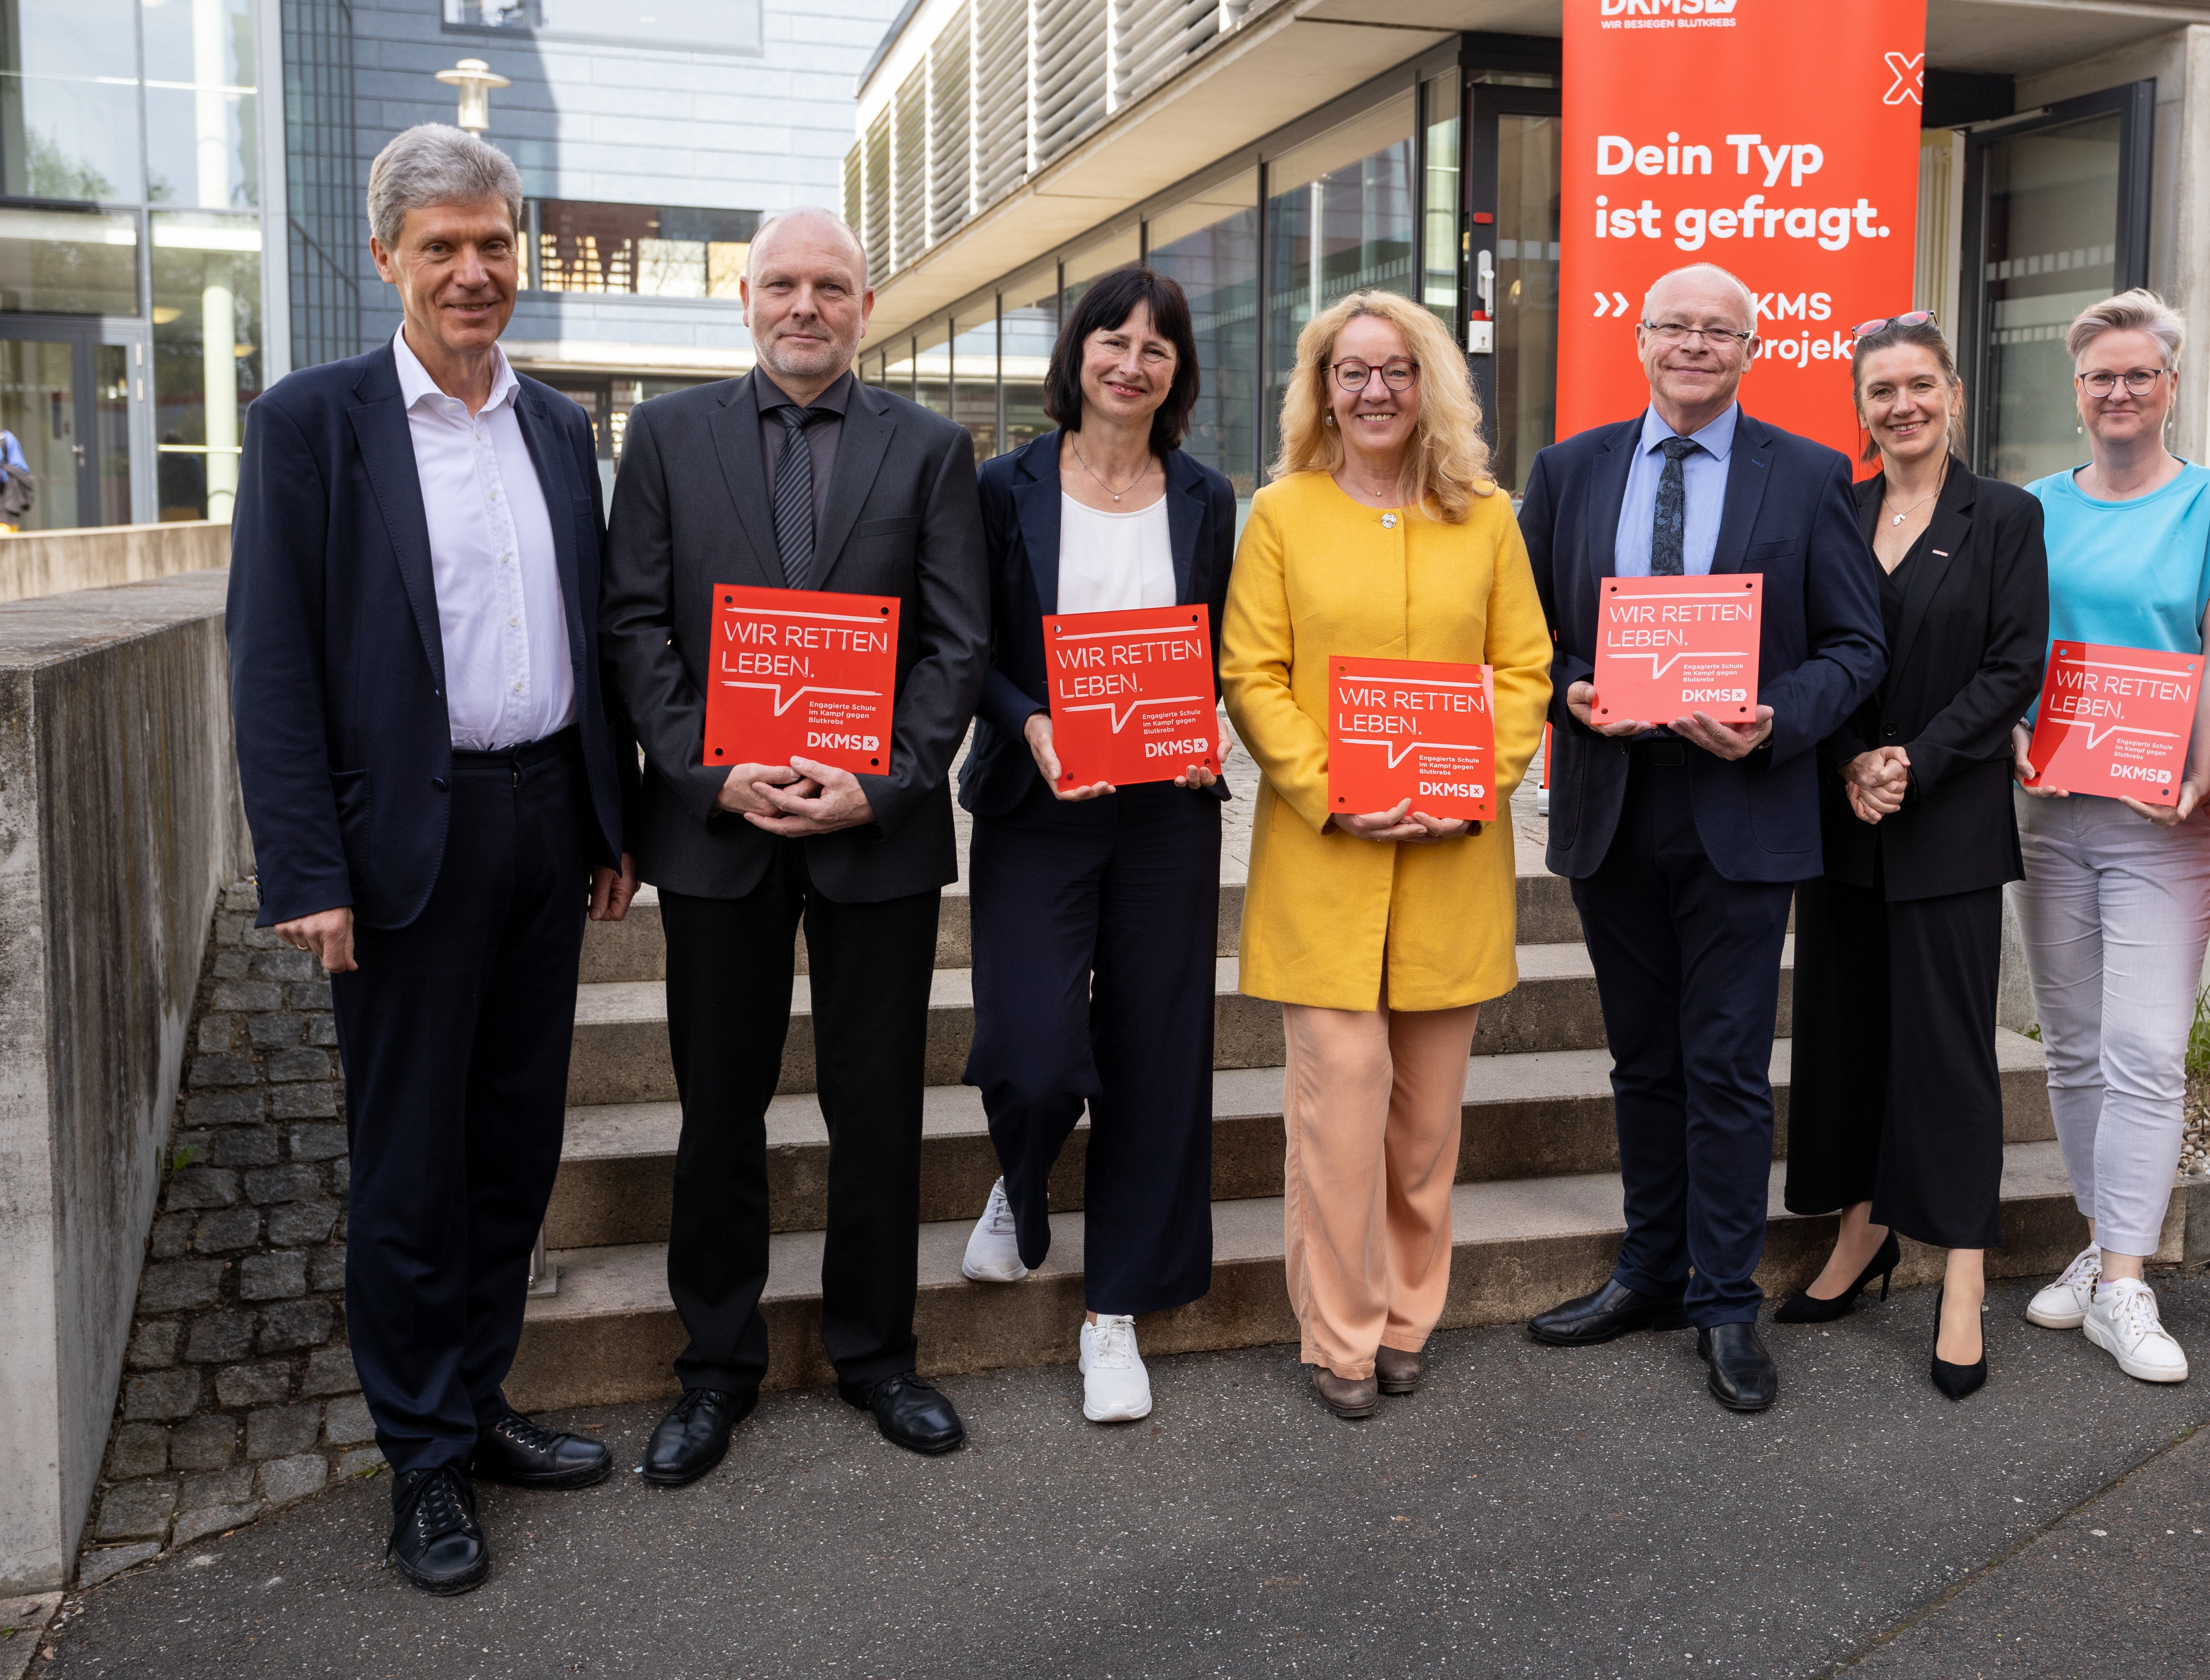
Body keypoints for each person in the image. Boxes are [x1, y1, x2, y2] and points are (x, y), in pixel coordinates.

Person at [226, 123, 639, 1594]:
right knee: (410, 1163)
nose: (473, 272)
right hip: (404, 841)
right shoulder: (310, 425)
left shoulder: (557, 428)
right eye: (442, 247)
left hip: (543, 824)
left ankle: (481, 1404)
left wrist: (607, 819)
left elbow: (585, 635)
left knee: (516, 1143)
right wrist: (306, 870)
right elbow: (271, 667)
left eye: (494, 245)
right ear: (389, 257)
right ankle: (420, 1462)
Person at [601, 207, 988, 1485]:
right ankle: (715, 1369)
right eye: (782, 284)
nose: (805, 306)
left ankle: (879, 1354)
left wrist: (875, 785)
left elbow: (955, 647)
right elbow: (636, 631)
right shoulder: (663, 438)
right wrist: (713, 775)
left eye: (831, 286)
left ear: (866, 308)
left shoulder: (931, 450)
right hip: (720, 834)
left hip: (873, 835)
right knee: (720, 1110)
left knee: (876, 1108)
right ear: (747, 300)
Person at [1519, 262, 1884, 1414]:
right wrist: (1571, 693)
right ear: (1639, 341)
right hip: (1614, 803)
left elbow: (1856, 650)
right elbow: (1523, 634)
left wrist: (1781, 720)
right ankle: (1647, 1270)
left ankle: (1723, 1300)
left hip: (1744, 807)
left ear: (1750, 350)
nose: (1693, 346)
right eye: (1673, 326)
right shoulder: (1570, 471)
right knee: (1643, 1061)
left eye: (1717, 332)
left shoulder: (1814, 474)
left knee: (1726, 1068)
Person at [1222, 289, 1551, 1421]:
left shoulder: (1488, 518)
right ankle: (1341, 1335)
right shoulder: (1281, 517)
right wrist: (1334, 790)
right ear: (1322, 391)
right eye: (1350, 372)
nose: (1374, 391)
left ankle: (1412, 1317)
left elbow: (1526, 674)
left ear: (1430, 388)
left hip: (1453, 861)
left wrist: (1474, 781)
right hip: (1326, 863)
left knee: (1424, 1128)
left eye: (1396, 370)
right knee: (1341, 1110)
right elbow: (1252, 675)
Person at [953, 266, 1236, 1424]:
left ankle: (1113, 1311)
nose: (1132, 361)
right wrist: (1027, 718)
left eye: (1156, 347)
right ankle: (1023, 1182)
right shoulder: (1000, 488)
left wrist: (1202, 722)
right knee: (1027, 1041)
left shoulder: (1209, 497)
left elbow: (1216, 643)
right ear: (1075, 357)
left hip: (1165, 810)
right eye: (1112, 340)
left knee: (1157, 1050)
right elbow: (959, 640)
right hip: (1038, 797)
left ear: (1178, 375)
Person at [1780, 312, 2047, 1402]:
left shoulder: (2006, 517)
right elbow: (1802, 651)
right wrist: (1848, 759)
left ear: (1954, 395)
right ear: (1860, 407)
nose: (1903, 405)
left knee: (1944, 1053)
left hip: (1945, 819)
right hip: (1841, 818)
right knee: (1844, 1038)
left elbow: (2012, 664)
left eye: (1920, 385)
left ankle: (1962, 1280)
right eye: (1882, 389)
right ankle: (1860, 1236)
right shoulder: (1831, 510)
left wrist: (1911, 762)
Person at [2008, 288, 2210, 1384]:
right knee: (2071, 1045)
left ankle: (2124, 1281)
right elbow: (2015, 651)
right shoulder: (2030, 508)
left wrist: (2205, 771)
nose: (2118, 392)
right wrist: (2020, 734)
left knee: (2148, 1052)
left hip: (2169, 819)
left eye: (2138, 375)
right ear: (2078, 394)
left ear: (2168, 387)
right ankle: (2103, 1245)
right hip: (2049, 811)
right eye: (2099, 376)